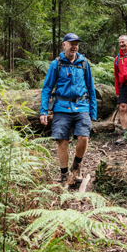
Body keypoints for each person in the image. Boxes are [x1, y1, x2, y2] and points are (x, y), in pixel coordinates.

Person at [40, 33, 97, 185]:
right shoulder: (56, 64)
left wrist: (93, 111)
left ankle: (76, 166)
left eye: (76, 43)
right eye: (71, 43)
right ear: (63, 45)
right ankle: (64, 174)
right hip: (61, 107)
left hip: (81, 106)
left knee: (84, 137)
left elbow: (91, 88)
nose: (74, 46)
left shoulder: (84, 63)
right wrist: (43, 111)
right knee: (62, 142)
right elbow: (46, 88)